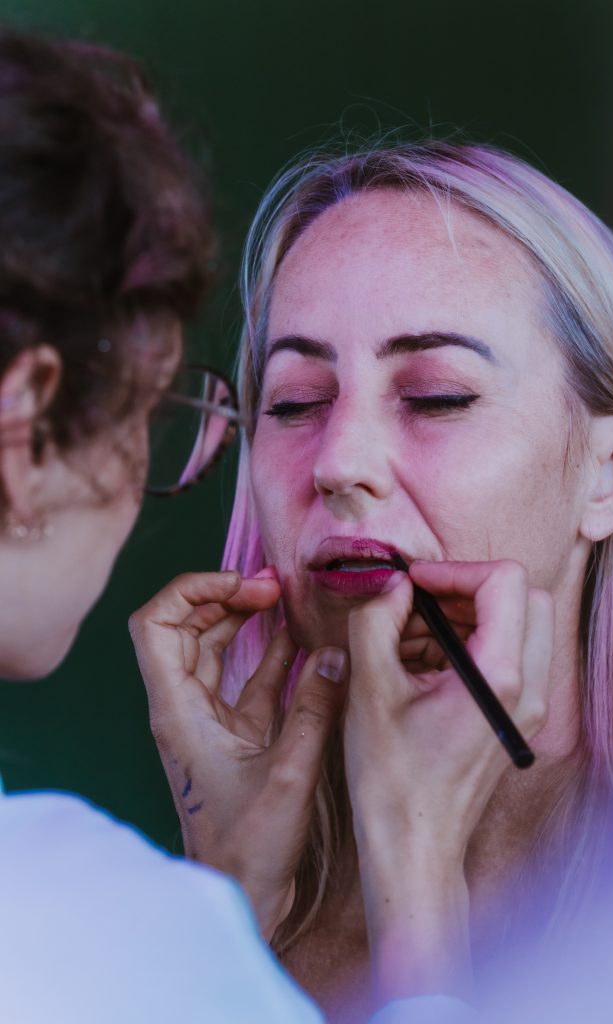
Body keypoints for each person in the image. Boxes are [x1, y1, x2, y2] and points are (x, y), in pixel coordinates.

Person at [131, 136, 613, 1023]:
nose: (340, 463)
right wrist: (223, 912)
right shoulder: (182, 926)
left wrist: (417, 903)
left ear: (610, 476)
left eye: (435, 396)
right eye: (295, 402)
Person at [0, 27, 327, 1024]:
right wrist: (423, 915)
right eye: (152, 410)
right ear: (26, 421)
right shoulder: (92, 929)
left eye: (436, 397)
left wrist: (216, 906)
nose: (346, 466)